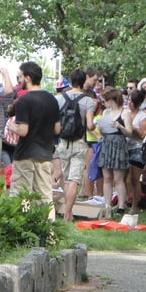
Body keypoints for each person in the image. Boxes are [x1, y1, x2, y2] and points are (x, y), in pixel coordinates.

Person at [8, 61, 60, 220]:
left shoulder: (24, 100)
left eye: (21, 76)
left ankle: (21, 228)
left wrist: (11, 127)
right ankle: (48, 232)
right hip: (45, 153)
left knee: (21, 194)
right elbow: (57, 129)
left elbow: (23, 131)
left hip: (25, 154)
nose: (19, 79)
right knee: (44, 195)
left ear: (28, 78)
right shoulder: (52, 99)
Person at [54, 69, 95, 221]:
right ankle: (67, 214)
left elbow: (55, 123)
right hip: (79, 143)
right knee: (74, 180)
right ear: (84, 80)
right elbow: (90, 125)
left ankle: (66, 210)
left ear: (70, 81)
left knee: (64, 178)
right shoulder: (88, 101)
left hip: (63, 143)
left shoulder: (59, 99)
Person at [97, 87, 133, 217]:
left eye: (105, 100)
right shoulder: (106, 113)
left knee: (118, 178)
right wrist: (101, 128)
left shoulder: (125, 113)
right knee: (107, 177)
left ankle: (121, 206)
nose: (104, 103)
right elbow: (102, 132)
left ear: (111, 100)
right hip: (107, 144)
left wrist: (119, 126)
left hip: (119, 145)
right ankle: (107, 204)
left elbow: (129, 132)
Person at [126, 89, 146, 214]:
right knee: (124, 178)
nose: (129, 103)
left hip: (137, 149)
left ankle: (134, 206)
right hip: (125, 147)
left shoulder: (143, 117)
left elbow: (142, 135)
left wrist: (132, 127)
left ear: (138, 103)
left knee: (135, 178)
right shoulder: (125, 113)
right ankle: (123, 202)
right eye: (129, 100)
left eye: (132, 101)